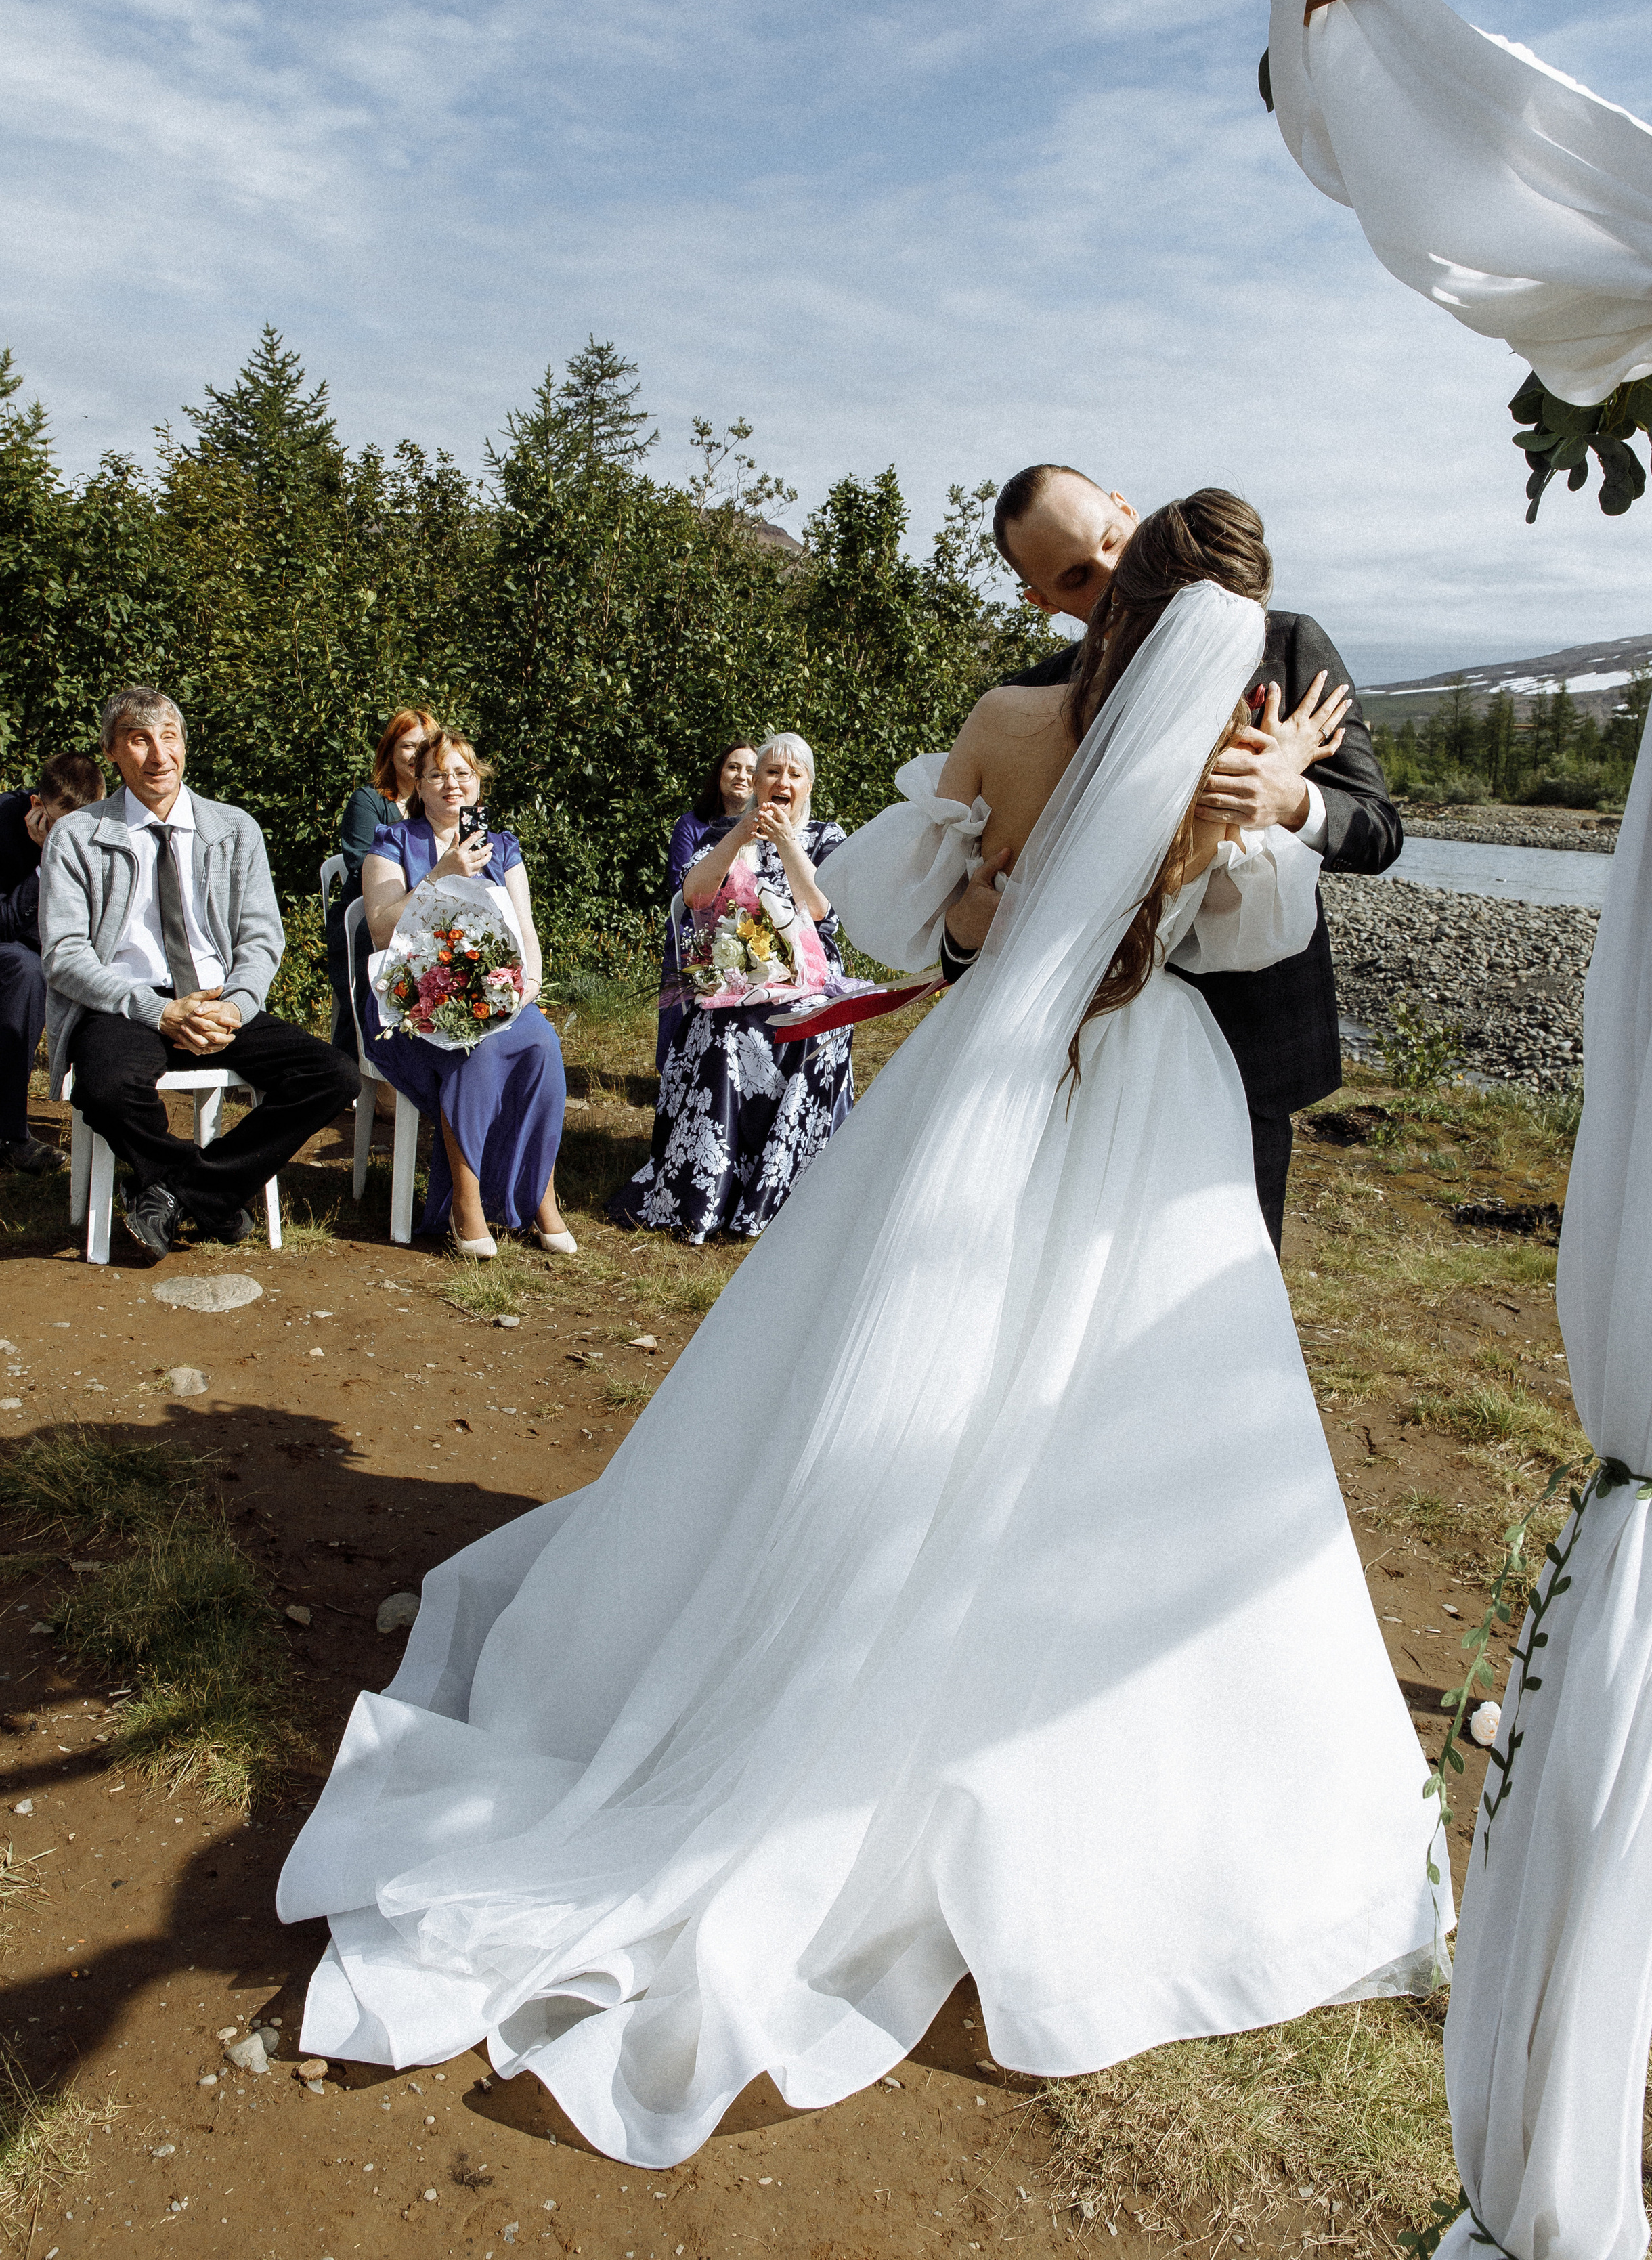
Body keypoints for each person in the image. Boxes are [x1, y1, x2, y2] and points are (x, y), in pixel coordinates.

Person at [279, 518, 1445, 2171]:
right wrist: (1263, 803)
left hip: (998, 1065)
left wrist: (1247, 814)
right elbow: (1243, 931)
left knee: (912, 1367)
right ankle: (1059, 1724)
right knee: (1119, 1399)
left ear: (1114, 572)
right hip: (1153, 1079)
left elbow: (924, 919)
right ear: (1207, 611)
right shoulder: (1215, 737)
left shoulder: (1026, 717)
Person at [984, 465, 1400, 1248]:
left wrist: (1291, 800)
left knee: (1227, 1281)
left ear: (1126, 509)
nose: (1112, 579)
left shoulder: (1284, 643)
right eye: (1076, 576)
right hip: (1091, 1044)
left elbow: (1377, 828)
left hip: (1252, 1044)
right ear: (1039, 601)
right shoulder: (1034, 701)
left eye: (1114, 543)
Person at [40, 689, 359, 1260]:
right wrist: (155, 1010)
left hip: (217, 1002)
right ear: (112, 750)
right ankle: (212, 1195)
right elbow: (64, 953)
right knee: (106, 1086)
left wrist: (234, 1005)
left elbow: (261, 938)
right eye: (140, 740)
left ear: (186, 745)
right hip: (126, 1006)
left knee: (333, 1075)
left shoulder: (233, 829)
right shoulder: (79, 835)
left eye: (170, 738)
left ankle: (177, 1194)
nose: (159, 755)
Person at [607, 731, 852, 1244]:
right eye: (772, 772)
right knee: (725, 1028)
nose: (781, 782)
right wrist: (740, 836)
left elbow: (823, 911)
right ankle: (709, 1187)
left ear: (808, 785)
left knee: (815, 1028)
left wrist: (786, 842)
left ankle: (785, 1184)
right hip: (733, 979)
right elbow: (693, 896)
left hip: (808, 978)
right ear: (757, 780)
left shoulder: (828, 837)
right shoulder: (721, 831)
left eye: (794, 774)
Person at [359, 727, 571, 1256]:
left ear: (477, 783)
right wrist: (441, 874)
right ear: (418, 784)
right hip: (410, 996)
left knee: (542, 1045)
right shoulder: (393, 843)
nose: (451, 784)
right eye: (437, 774)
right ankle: (466, 1202)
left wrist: (530, 984)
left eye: (462, 773)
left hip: (494, 989)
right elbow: (382, 929)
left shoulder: (502, 847)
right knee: (472, 1049)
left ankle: (540, 1193)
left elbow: (524, 928)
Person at [0, 753, 104, 1175]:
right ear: (39, 806)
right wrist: (48, 863)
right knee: (26, 971)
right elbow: (5, 922)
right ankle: (9, 1135)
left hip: (77, 949)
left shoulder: (103, 823)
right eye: (66, 828)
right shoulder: (4, 823)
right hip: (16, 947)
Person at [326, 707, 437, 1061]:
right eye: (407, 746)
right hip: (370, 915)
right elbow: (361, 866)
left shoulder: (437, 802)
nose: (416, 755)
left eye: (425, 747)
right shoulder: (370, 800)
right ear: (390, 750)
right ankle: (376, 1063)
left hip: (428, 914)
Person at [657, 739, 757, 1070]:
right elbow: (680, 887)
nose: (742, 776)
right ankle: (677, 1068)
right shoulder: (692, 824)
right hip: (696, 929)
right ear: (719, 775)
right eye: (734, 767)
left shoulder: (763, 828)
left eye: (751, 770)